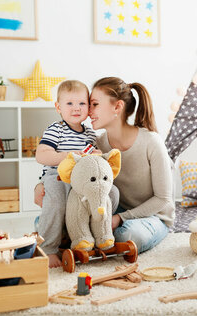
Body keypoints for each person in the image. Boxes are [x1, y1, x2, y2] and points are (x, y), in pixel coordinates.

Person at [35, 77, 175, 266]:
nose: (87, 111)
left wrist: (119, 218)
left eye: (93, 104)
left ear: (117, 107)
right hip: (110, 209)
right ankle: (83, 236)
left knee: (125, 234)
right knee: (44, 219)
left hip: (151, 215)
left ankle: (86, 235)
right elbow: (69, 168)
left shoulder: (151, 141)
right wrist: (41, 184)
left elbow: (163, 199)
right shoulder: (96, 144)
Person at [34, 80, 119, 268]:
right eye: (69, 103)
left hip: (81, 181)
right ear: (58, 107)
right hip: (57, 176)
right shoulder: (56, 129)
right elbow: (41, 155)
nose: (76, 108)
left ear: (88, 107)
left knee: (110, 193)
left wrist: (98, 156)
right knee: (56, 202)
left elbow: (93, 162)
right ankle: (47, 248)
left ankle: (96, 235)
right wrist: (68, 156)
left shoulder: (90, 134)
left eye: (81, 103)